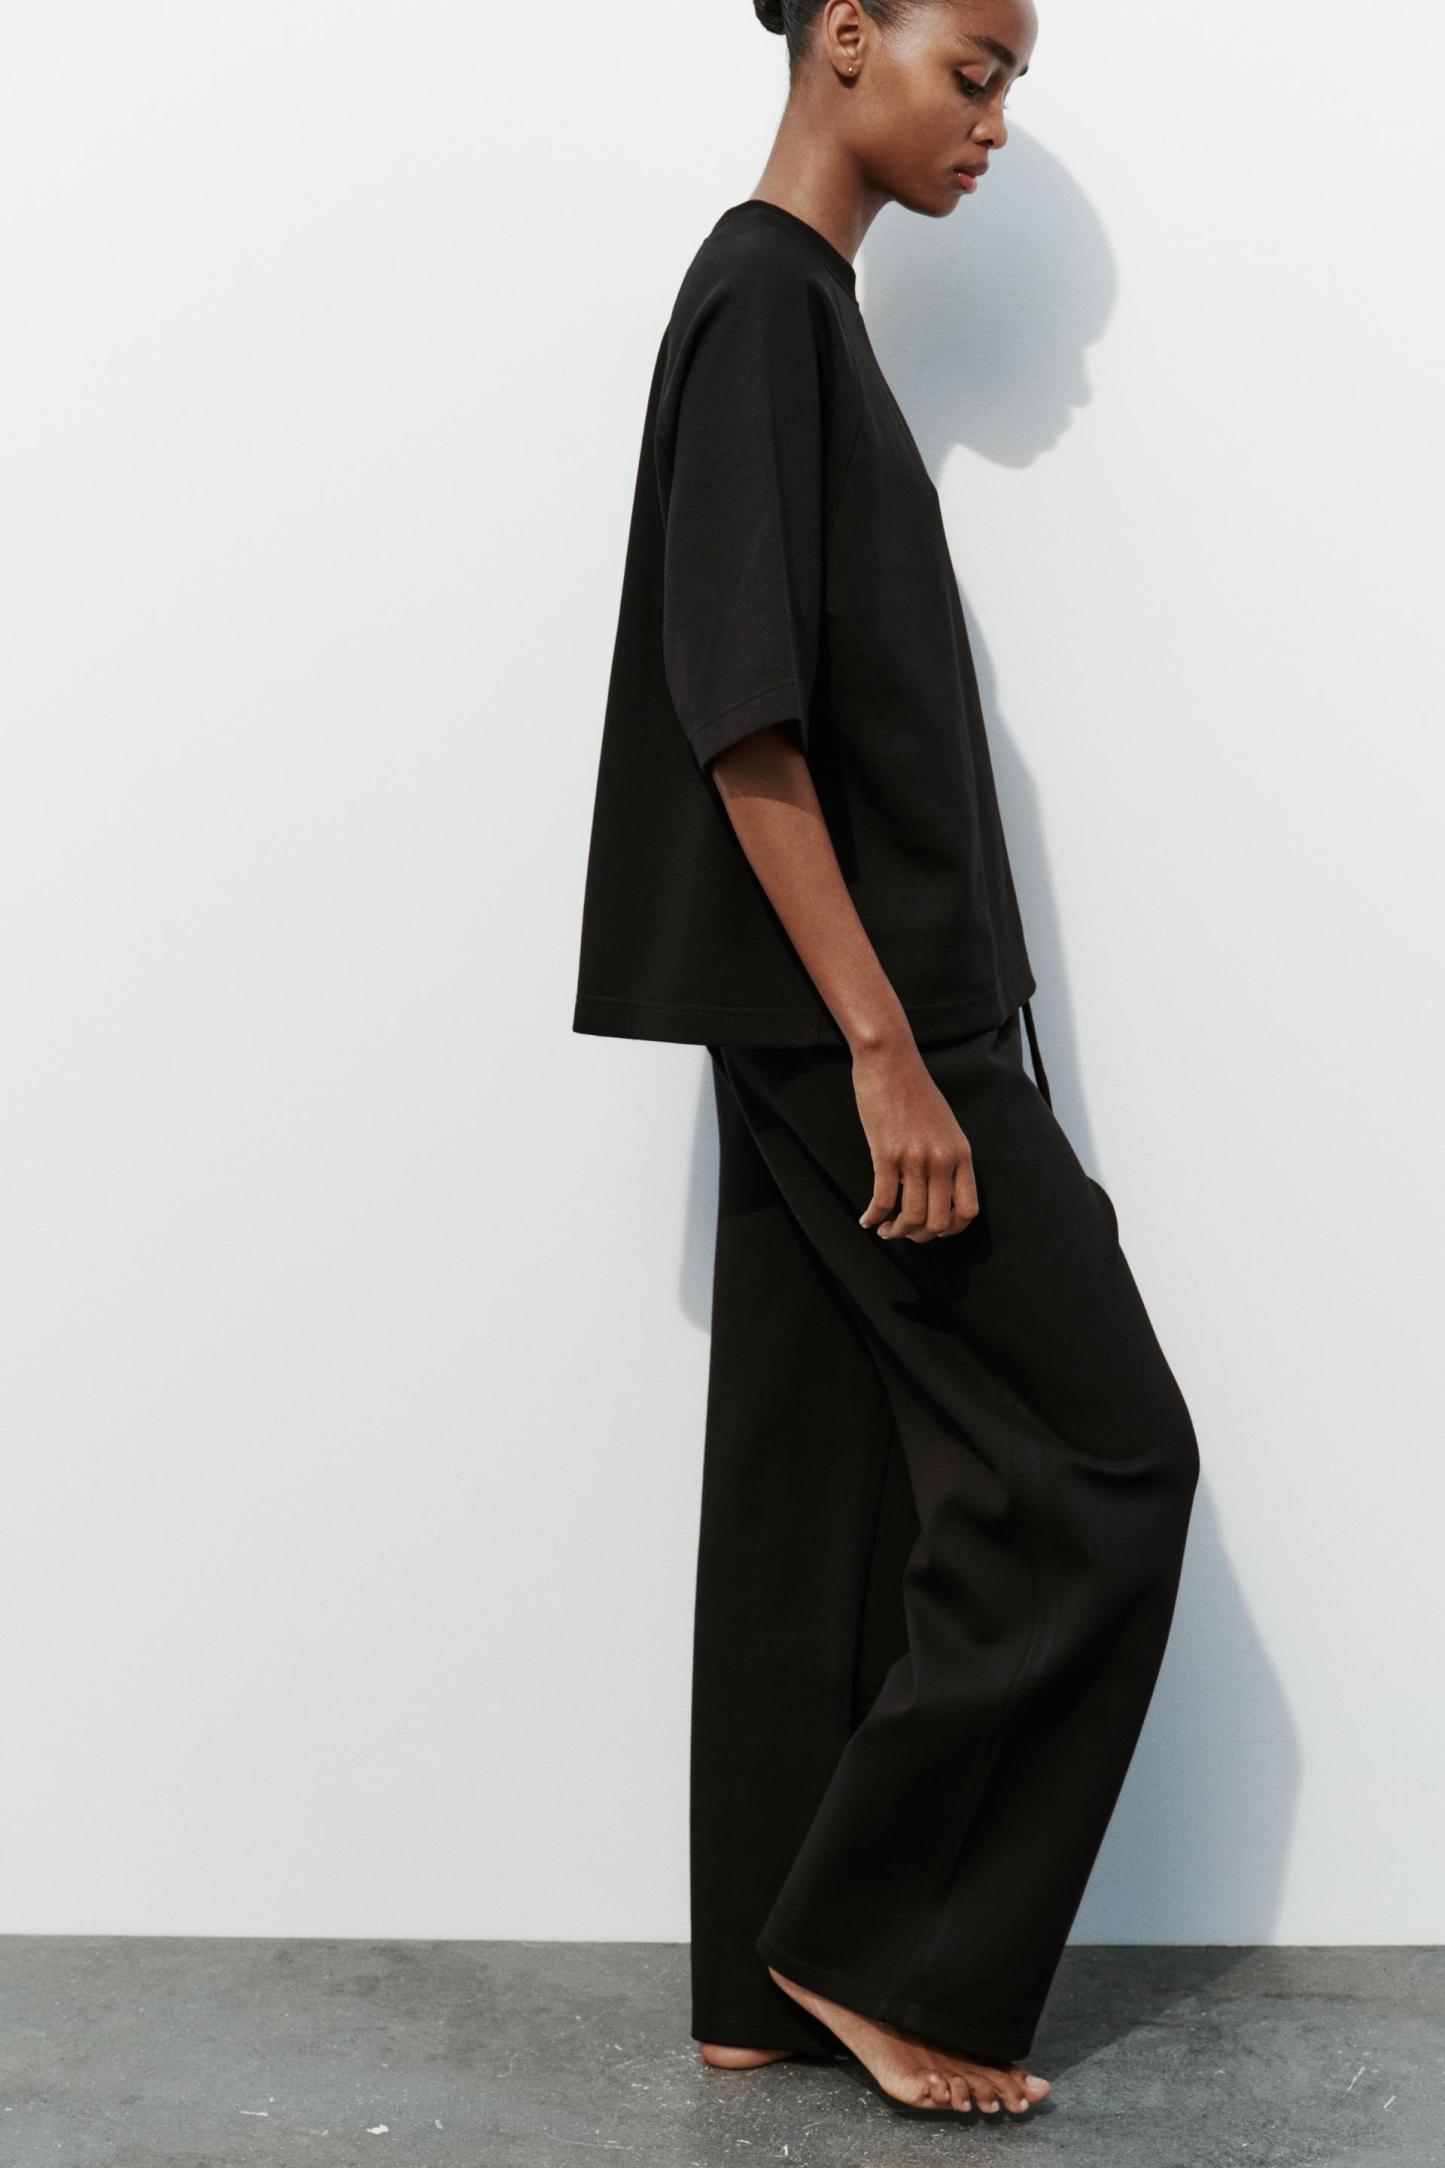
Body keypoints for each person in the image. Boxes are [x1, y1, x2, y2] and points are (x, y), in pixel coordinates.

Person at [571, 0, 1200, 2123]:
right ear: (848, 35)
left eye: (1012, 86)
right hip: (861, 1021)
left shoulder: (796, 313)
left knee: (816, 1475)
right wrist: (888, 1053)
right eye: (976, 69)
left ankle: (762, 1975)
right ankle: (884, 1948)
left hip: (822, 1014)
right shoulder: (765, 304)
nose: (992, 122)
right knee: (1104, 1463)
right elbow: (737, 711)